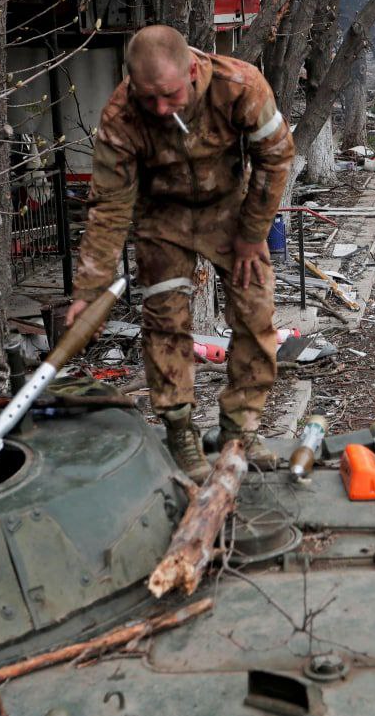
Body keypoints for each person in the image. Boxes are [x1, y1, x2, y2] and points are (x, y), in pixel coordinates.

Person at [65, 25, 295, 481]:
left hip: (230, 215)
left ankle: (240, 430)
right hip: (162, 221)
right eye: (148, 97)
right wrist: (89, 291)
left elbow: (276, 156)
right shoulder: (121, 116)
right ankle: (180, 431)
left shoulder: (240, 85)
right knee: (165, 324)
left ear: (191, 69)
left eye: (169, 95)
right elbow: (109, 207)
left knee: (255, 315)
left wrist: (254, 233)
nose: (160, 109)